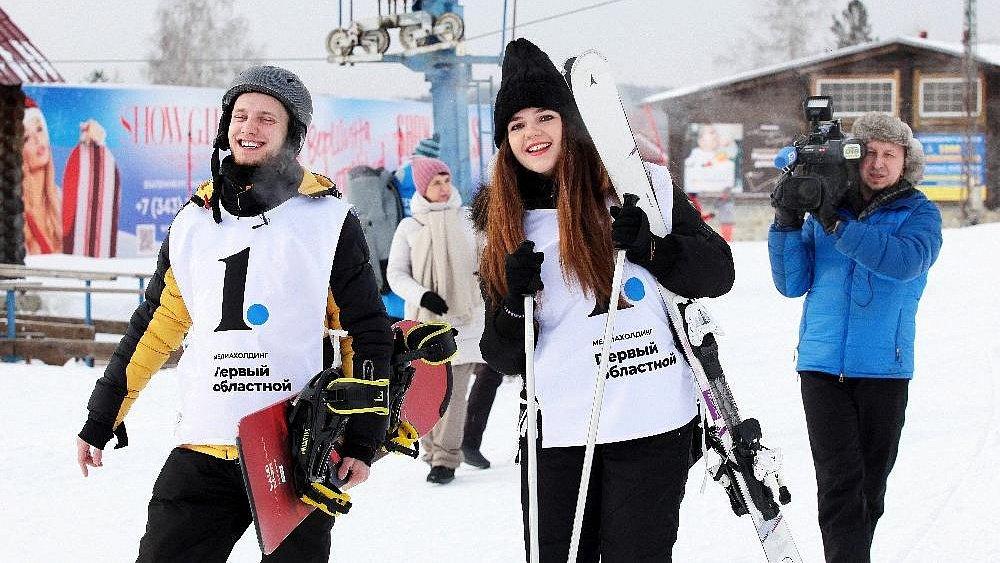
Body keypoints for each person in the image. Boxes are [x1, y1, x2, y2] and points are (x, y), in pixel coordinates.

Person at [74, 65, 393, 561]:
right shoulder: (192, 222)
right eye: (240, 115)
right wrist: (103, 414)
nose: (249, 127)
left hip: (295, 453)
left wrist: (363, 436)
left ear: (293, 134)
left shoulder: (328, 220)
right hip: (204, 446)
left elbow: (363, 333)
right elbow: (154, 329)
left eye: (267, 118)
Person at [474, 38, 734, 562]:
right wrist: (513, 302)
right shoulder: (502, 227)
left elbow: (717, 273)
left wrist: (652, 248)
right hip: (559, 434)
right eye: (516, 124)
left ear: (571, 121)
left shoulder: (642, 188)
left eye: (545, 116)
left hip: (651, 421)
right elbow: (501, 356)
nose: (532, 133)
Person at [768, 112, 942, 563]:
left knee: (870, 488)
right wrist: (786, 222)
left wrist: (837, 226)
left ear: (906, 162)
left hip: (884, 369)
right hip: (822, 367)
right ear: (852, 157)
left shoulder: (919, 214)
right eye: (869, 153)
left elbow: (902, 262)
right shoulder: (827, 208)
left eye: (890, 154)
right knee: (839, 482)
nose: (878, 163)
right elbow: (791, 283)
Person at [386, 156, 487, 484]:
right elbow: (396, 274)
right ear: (422, 189)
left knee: (455, 392)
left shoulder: (469, 219)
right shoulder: (410, 226)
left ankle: (446, 459)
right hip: (423, 325)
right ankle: (431, 449)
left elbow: (487, 262)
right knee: (426, 391)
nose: (444, 188)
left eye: (446, 180)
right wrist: (422, 295)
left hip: (464, 321)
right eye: (436, 183)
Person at [21, 96, 109, 255]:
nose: (37, 140)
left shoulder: (59, 200)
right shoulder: (15, 212)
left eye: (40, 129)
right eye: (26, 138)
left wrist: (93, 147)